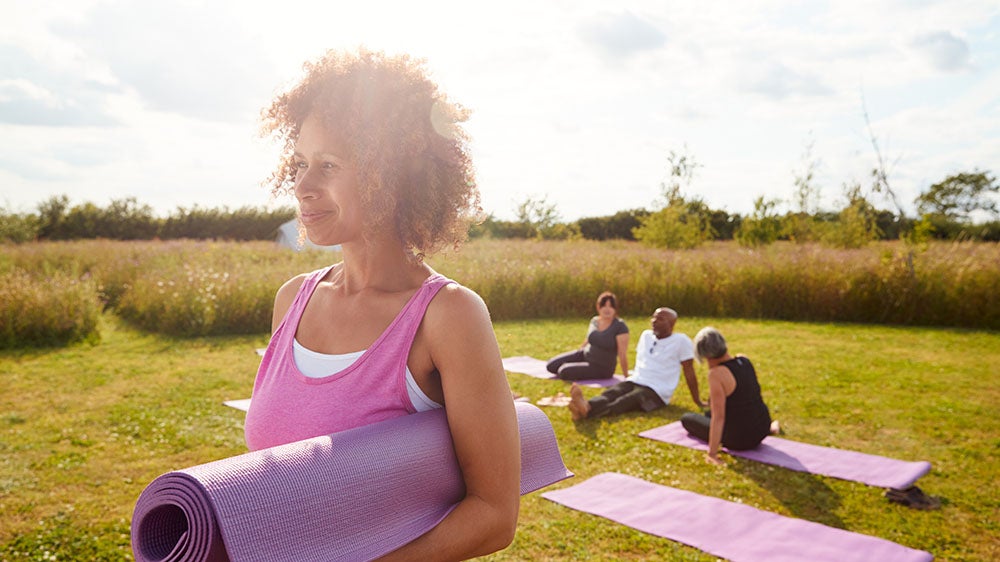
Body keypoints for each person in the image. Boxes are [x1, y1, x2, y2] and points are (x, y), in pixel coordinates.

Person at [243, 48, 519, 560]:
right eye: (300, 163)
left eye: (328, 165)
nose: (302, 185)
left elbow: (493, 514)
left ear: (386, 175)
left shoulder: (448, 316)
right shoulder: (292, 301)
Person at [567, 307, 705, 420]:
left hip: (656, 391)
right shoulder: (646, 336)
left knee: (625, 401)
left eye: (660, 319)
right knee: (612, 392)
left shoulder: (681, 341)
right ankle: (586, 406)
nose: (654, 321)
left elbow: (689, 371)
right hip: (636, 380)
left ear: (672, 324)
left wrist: (697, 400)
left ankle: (585, 412)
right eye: (654, 317)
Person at [680, 327, 780, 465]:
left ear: (705, 355)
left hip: (739, 440)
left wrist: (712, 454)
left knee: (688, 418)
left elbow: (718, 417)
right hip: (762, 428)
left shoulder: (716, 374)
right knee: (709, 413)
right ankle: (771, 428)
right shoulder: (744, 360)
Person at [545, 291, 629, 380]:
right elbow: (588, 339)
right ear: (598, 307)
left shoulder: (620, 326)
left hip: (602, 367)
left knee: (563, 371)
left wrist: (626, 376)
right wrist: (577, 354)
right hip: (585, 355)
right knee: (551, 365)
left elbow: (622, 354)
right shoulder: (595, 321)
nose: (607, 309)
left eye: (610, 306)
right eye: (604, 305)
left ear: (615, 309)